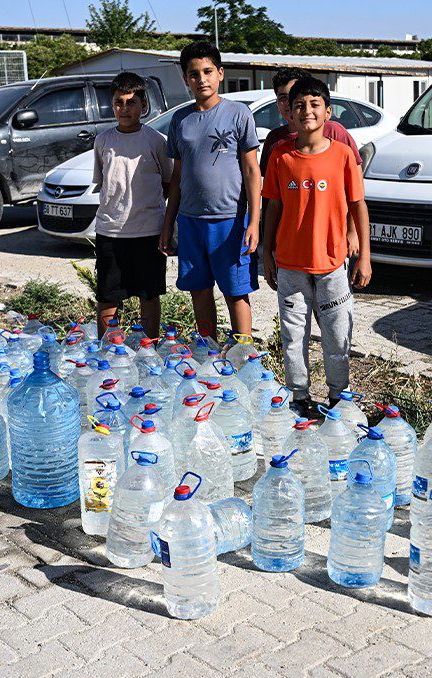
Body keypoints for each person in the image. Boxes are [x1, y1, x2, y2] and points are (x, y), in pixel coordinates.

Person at [260, 76, 371, 418]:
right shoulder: (281, 156)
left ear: (328, 112)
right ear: (289, 114)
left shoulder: (342, 156)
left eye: (314, 104)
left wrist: (364, 255)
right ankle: (299, 398)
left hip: (332, 265)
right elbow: (273, 207)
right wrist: (267, 251)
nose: (306, 111)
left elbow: (358, 206)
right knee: (294, 337)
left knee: (337, 338)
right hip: (291, 265)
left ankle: (339, 398)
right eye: (298, 105)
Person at [158, 41, 262, 343]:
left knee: (235, 292)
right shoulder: (180, 119)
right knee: (199, 290)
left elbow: (252, 171)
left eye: (207, 71)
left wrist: (254, 222)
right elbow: (177, 177)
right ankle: (209, 351)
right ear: (185, 79)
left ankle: (243, 357)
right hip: (191, 222)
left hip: (231, 221)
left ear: (220, 73)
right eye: (193, 74)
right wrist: (168, 224)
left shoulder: (238, 114)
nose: (201, 79)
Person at [92, 72, 173, 337]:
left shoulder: (156, 141)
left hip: (148, 232)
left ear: (143, 105)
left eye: (131, 102)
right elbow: (103, 183)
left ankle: (151, 346)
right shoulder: (103, 141)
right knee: (107, 296)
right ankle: (106, 350)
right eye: (118, 102)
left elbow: (168, 183)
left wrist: (163, 225)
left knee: (148, 296)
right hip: (110, 232)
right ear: (111, 104)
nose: (124, 108)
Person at [258, 67, 363, 258]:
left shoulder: (335, 133)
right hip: (290, 246)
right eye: (283, 98)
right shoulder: (275, 141)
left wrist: (352, 232)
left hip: (331, 245)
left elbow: (355, 192)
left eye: (294, 95)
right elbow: (272, 200)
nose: (289, 103)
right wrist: (268, 246)